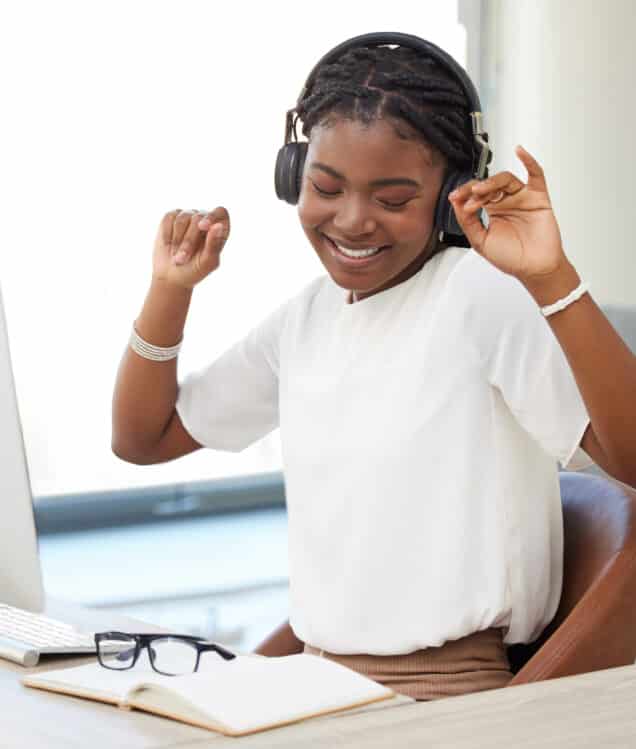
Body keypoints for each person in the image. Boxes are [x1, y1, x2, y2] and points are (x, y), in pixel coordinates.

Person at [112, 33, 636, 701]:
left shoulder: (478, 294)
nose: (353, 221)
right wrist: (170, 289)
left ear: (453, 192)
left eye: (392, 200)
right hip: (317, 687)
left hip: (439, 698)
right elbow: (142, 438)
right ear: (292, 172)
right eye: (325, 187)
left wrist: (551, 279)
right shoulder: (309, 316)